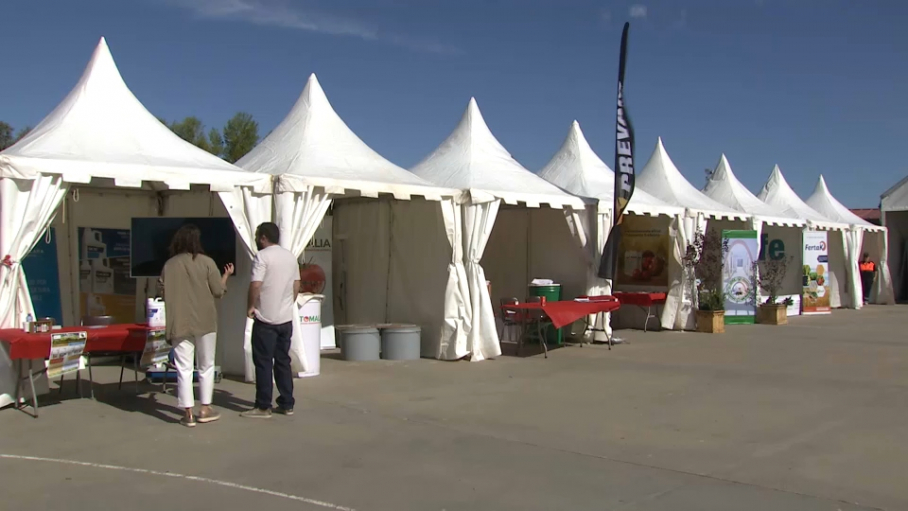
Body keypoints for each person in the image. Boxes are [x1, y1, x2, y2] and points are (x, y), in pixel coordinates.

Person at [159, 224, 234, 427]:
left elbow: (163, 292)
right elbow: (218, 291)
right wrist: (226, 276)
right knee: (206, 365)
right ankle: (205, 407)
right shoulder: (207, 262)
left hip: (179, 322)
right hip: (205, 321)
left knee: (183, 367)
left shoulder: (169, 265)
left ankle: (188, 413)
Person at [241, 222, 300, 419]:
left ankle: (263, 405)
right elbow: (297, 284)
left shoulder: (262, 257)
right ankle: (287, 402)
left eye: (258, 236)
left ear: (264, 237)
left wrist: (251, 306)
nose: (257, 240)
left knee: (263, 362)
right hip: (285, 318)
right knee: (283, 360)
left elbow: (256, 285)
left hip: (266, 318)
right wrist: (288, 303)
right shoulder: (290, 256)